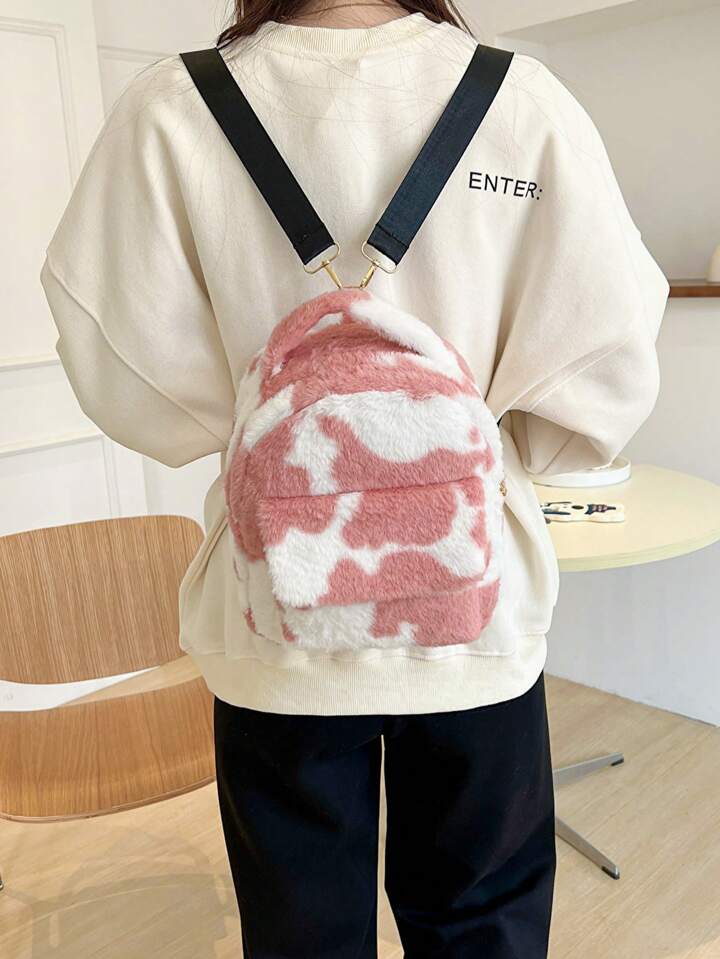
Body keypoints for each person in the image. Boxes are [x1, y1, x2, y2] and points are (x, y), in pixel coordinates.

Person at [39, 2, 670, 956]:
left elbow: (118, 368)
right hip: (476, 609)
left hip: (272, 606)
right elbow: (606, 368)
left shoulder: (172, 108)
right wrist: (498, 439)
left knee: (300, 931)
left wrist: (252, 426)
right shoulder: (521, 101)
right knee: (482, 922)